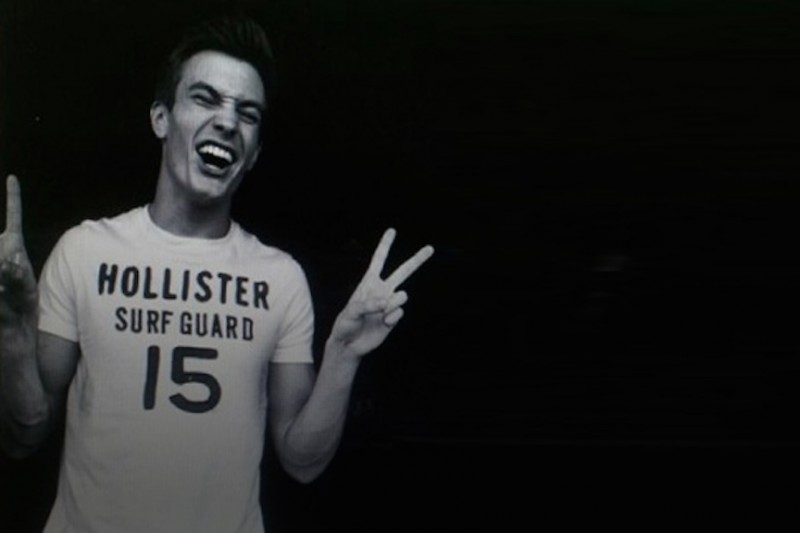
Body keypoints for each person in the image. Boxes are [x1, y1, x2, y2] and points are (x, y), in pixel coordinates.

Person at [0, 14, 433, 533]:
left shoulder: (280, 279)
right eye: (205, 99)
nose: (228, 122)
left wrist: (343, 354)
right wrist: (11, 333)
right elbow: (23, 435)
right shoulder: (83, 251)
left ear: (253, 154)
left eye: (247, 113)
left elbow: (303, 460)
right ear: (161, 118)